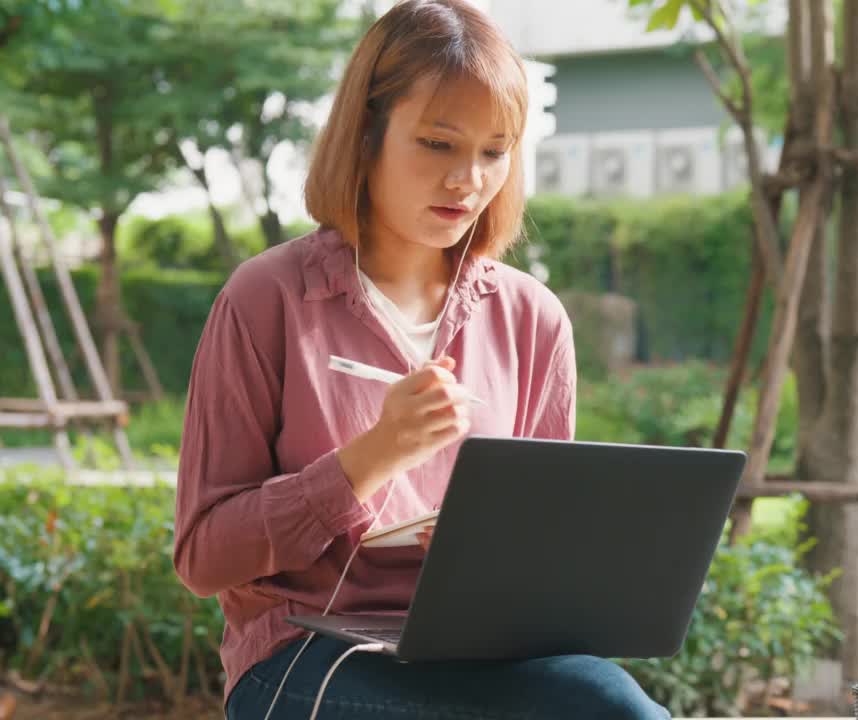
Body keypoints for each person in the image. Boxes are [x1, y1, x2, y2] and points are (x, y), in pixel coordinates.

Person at [172, 2, 670, 717]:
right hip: (308, 652)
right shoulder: (266, 299)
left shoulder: (532, 319)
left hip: (486, 652)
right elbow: (204, 557)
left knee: (622, 710)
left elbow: (541, 547)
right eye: (438, 144)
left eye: (494, 150)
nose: (467, 179)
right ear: (367, 133)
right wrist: (370, 458)